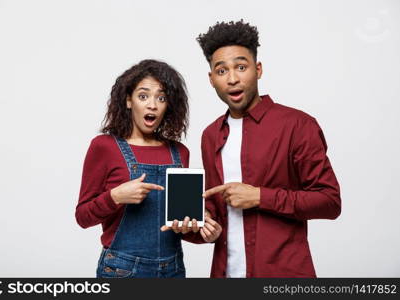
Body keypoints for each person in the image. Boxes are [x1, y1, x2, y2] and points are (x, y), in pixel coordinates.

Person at [196, 20, 342, 278]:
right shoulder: (210, 135)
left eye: (241, 67)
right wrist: (206, 225)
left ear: (258, 69)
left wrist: (260, 197)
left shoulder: (298, 125)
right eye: (222, 71)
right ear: (211, 79)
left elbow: (329, 201)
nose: (232, 79)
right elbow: (218, 215)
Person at [75, 59, 220, 278]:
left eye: (161, 98)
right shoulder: (104, 146)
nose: (152, 105)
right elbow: (83, 216)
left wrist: (204, 234)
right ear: (128, 101)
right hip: (121, 270)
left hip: (173, 269)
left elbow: (179, 225)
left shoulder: (179, 152)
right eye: (143, 96)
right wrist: (115, 196)